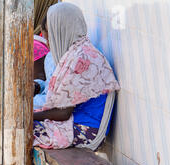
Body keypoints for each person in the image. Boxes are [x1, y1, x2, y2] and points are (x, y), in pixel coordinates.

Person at [32, 2, 120, 150]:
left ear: (61, 32)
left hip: (85, 130)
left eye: (49, 39)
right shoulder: (76, 52)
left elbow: (64, 113)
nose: (48, 44)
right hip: (75, 123)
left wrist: (26, 116)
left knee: (16, 130)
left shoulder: (81, 59)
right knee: (15, 128)